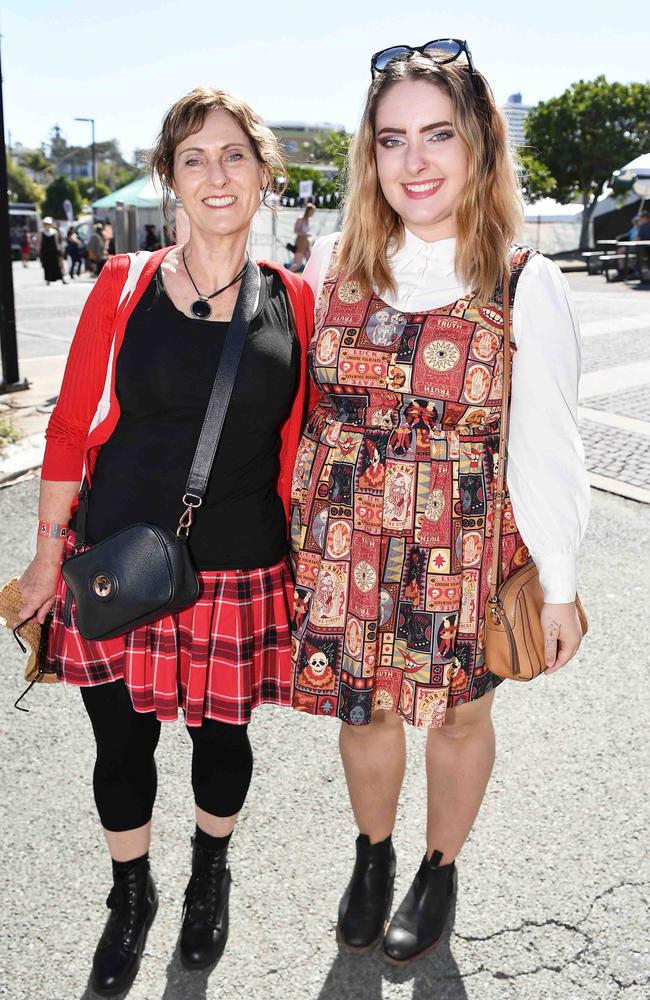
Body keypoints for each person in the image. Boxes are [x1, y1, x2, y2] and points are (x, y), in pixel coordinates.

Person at [290, 39, 590, 964]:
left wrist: (560, 583)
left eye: (437, 136)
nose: (413, 162)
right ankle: (372, 856)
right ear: (368, 156)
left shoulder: (523, 282)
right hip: (349, 542)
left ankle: (438, 865)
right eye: (391, 140)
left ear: (480, 148)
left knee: (461, 716)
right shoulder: (336, 265)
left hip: (462, 543)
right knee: (363, 712)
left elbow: (545, 443)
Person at [16, 86, 315, 995]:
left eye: (233, 155)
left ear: (265, 173)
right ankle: (129, 893)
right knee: (121, 745)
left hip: (241, 566)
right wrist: (43, 552)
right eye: (194, 158)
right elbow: (70, 427)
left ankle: (208, 873)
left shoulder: (298, 302)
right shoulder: (123, 283)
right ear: (170, 179)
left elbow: (304, 444)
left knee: (222, 742)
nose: (215, 174)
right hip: (116, 562)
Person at [39, 216, 67, 285]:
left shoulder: (54, 232)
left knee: (58, 266)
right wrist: (39, 252)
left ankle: (62, 279)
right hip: (45, 252)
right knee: (47, 266)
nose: (47, 225)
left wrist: (59, 252)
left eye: (48, 224)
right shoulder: (41, 232)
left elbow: (56, 243)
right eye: (45, 224)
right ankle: (48, 280)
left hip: (53, 252)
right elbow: (40, 243)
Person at [289, 202, 316, 272]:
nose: (313, 213)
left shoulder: (309, 220)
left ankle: (309, 278)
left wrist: (308, 235)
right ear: (308, 211)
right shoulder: (300, 219)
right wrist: (305, 234)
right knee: (298, 264)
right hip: (300, 241)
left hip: (306, 241)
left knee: (311, 262)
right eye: (312, 211)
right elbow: (296, 231)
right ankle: (284, 275)